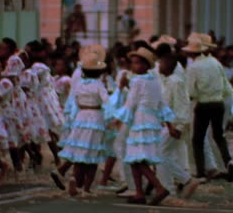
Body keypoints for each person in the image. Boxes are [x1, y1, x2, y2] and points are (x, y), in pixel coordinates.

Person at [113, 47, 172, 206]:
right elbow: (161, 102)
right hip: (151, 120)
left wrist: (119, 117)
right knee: (135, 158)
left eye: (138, 63)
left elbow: (131, 102)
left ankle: (159, 187)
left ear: (146, 65)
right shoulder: (154, 80)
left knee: (138, 159)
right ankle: (139, 192)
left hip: (140, 119)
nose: (134, 66)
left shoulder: (138, 81)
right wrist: (168, 121)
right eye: (133, 63)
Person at [182, 32, 233, 182]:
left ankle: (201, 173)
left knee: (197, 139)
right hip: (218, 103)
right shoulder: (216, 63)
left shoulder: (193, 68)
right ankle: (229, 161)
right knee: (219, 136)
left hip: (203, 104)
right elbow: (225, 84)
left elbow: (191, 91)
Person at [57, 48, 109, 196]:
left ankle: (74, 178)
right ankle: (86, 188)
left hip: (81, 117)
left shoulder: (80, 85)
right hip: (95, 117)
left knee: (79, 152)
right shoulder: (99, 86)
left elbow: (74, 101)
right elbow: (107, 102)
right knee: (92, 155)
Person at [156, 54, 200, 200]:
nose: (159, 65)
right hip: (168, 124)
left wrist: (179, 126)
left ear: (168, 64)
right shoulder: (167, 81)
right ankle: (174, 186)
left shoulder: (176, 82)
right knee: (163, 155)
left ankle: (181, 182)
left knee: (160, 154)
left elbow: (182, 105)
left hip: (174, 124)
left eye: (161, 62)